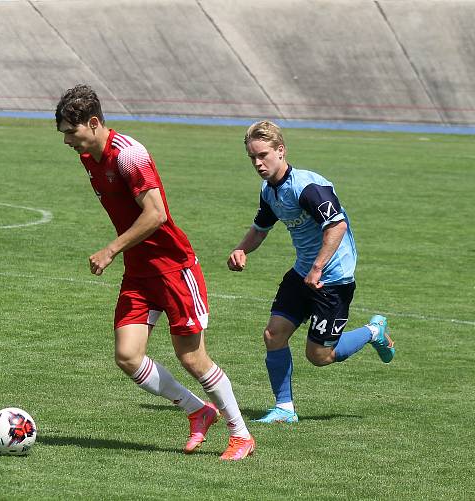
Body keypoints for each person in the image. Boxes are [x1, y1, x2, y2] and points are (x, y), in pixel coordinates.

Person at [56, 84, 255, 460]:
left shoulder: (130, 155)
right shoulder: (89, 157)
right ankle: (197, 410)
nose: (66, 140)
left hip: (174, 269)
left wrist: (111, 249)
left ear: (94, 122)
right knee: (128, 356)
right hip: (139, 272)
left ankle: (241, 434)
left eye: (71, 131)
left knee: (192, 358)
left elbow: (157, 213)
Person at [227, 120, 395, 424]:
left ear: (281, 151)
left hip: (332, 279)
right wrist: (241, 249)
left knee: (319, 356)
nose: (257, 163)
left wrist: (318, 268)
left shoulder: (308, 187)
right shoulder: (269, 190)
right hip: (304, 272)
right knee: (273, 334)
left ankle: (373, 332)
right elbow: (260, 228)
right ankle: (285, 409)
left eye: (263, 155)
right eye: (252, 157)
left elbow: (337, 225)